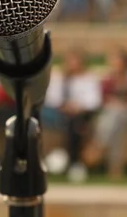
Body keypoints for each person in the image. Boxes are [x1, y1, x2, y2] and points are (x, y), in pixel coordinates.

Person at [83, 49, 127, 180]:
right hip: (111, 116)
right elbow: (100, 100)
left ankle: (98, 146)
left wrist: (124, 104)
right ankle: (115, 167)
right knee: (117, 126)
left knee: (117, 114)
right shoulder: (107, 80)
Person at [43, 49, 102, 182]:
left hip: (82, 114)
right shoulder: (59, 78)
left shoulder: (89, 78)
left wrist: (78, 107)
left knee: (76, 124)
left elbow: (94, 101)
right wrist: (64, 106)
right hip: (59, 113)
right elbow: (51, 98)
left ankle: (74, 162)